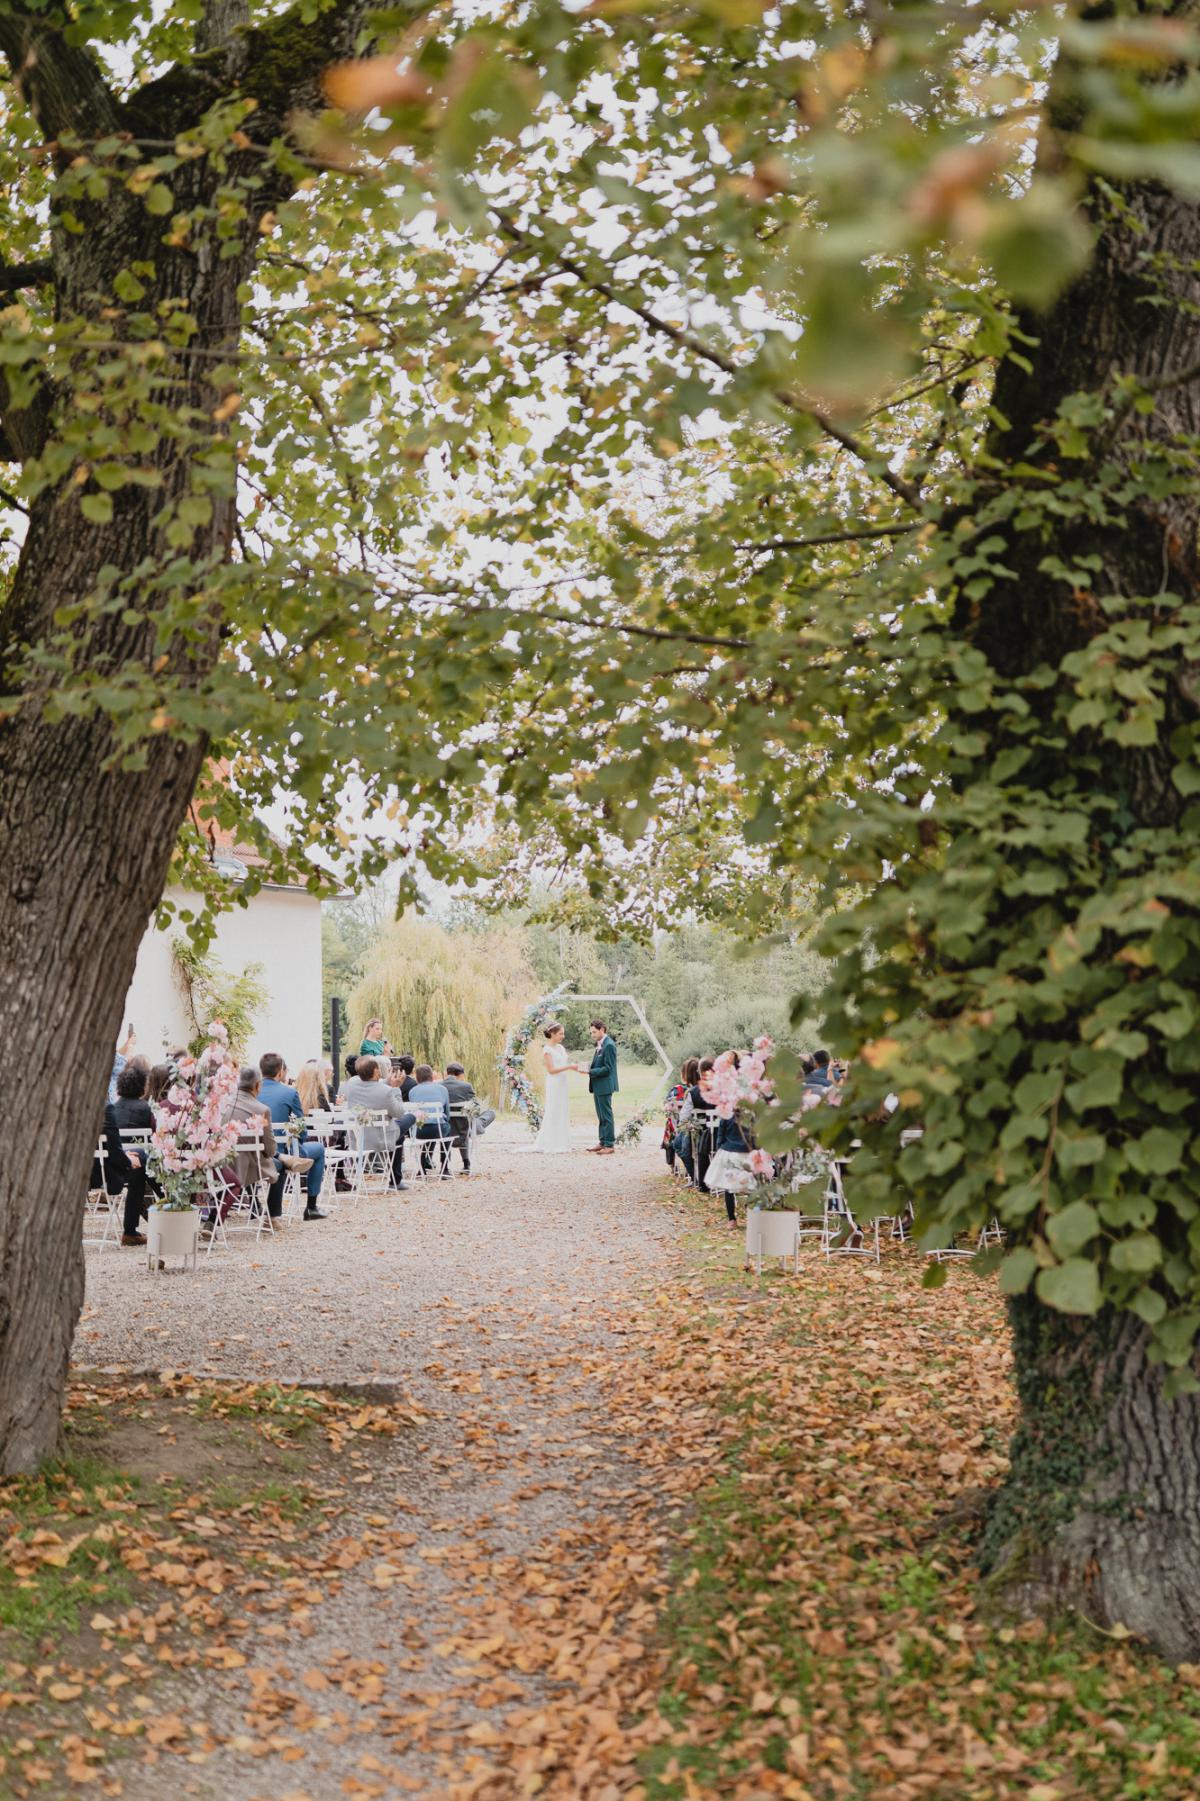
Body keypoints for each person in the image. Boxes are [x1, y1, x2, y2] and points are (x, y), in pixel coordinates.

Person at [258, 1053, 327, 1220]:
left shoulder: (253, 1091)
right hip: (283, 1152)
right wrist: (299, 1142)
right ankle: (311, 1207)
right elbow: (301, 1128)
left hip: (255, 1151)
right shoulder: (289, 1093)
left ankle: (257, 1206)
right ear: (280, 1071)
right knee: (318, 1148)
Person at [342, 1055, 416, 1189]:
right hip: (381, 1139)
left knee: (398, 1138)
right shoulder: (387, 1091)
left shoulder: (352, 1083)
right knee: (410, 1117)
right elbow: (399, 1113)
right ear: (376, 1071)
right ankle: (396, 1180)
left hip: (359, 1138)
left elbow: (371, 1084)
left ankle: (396, 1179)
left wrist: (387, 1081)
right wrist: (396, 1088)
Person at [104, 1063, 157, 1245]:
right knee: (144, 1165)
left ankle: (133, 1229)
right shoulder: (146, 1109)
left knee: (140, 1167)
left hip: (113, 1168)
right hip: (135, 1167)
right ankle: (166, 1207)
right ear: (142, 1086)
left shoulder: (113, 1109)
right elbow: (154, 1139)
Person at [227, 1066, 285, 1227]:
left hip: (222, 1166)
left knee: (249, 1159)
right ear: (258, 1085)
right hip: (249, 1166)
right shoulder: (262, 1110)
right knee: (278, 1166)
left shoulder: (222, 1105)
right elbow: (270, 1150)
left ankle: (256, 1207)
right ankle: (272, 1217)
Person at [707, 1092, 756, 1230]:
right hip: (747, 1153)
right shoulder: (752, 1117)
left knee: (729, 1188)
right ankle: (753, 1215)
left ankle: (731, 1219)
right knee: (752, 1187)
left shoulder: (726, 1116)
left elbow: (720, 1138)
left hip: (729, 1154)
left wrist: (719, 1151)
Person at [443, 1063, 494, 1175]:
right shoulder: (466, 1086)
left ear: (447, 1073)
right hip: (465, 1127)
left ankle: (466, 1163)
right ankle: (466, 1163)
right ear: (460, 1075)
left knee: (463, 1121)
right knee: (489, 1113)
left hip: (446, 1128)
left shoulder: (439, 1086)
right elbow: (474, 1107)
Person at [531, 1024, 574, 1155]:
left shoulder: (560, 1047)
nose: (563, 1036)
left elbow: (563, 1063)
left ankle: (562, 1141)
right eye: (561, 1033)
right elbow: (551, 1070)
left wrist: (573, 1067)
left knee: (562, 1108)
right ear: (553, 1034)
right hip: (554, 1082)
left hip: (563, 1082)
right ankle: (551, 1142)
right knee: (553, 1109)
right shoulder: (547, 1050)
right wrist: (569, 1067)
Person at [408, 1063, 452, 1177]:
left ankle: (421, 1168)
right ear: (432, 1076)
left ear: (417, 1078)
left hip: (419, 1131)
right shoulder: (442, 1089)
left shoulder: (412, 1091)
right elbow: (447, 1112)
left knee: (424, 1134)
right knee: (447, 1131)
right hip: (438, 1129)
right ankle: (445, 1168)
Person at [585, 1019, 619, 1155]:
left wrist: (590, 1072)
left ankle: (609, 1144)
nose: (592, 1035)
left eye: (594, 1032)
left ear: (602, 1030)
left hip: (605, 1085)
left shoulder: (609, 1045)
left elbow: (608, 1069)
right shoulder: (601, 1044)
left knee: (607, 1115)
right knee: (601, 1116)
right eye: (591, 1032)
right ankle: (602, 1141)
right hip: (598, 1085)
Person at [663, 1059, 696, 1171]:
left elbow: (667, 1106)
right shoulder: (707, 1089)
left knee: (670, 1121)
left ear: (684, 1074)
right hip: (707, 1129)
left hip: (684, 1128)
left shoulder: (678, 1090)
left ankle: (670, 1157)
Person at [107, 1023, 137, 1103]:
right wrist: (130, 1046)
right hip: (110, 1095)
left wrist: (128, 1043)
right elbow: (120, 1068)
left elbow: (116, 1055)